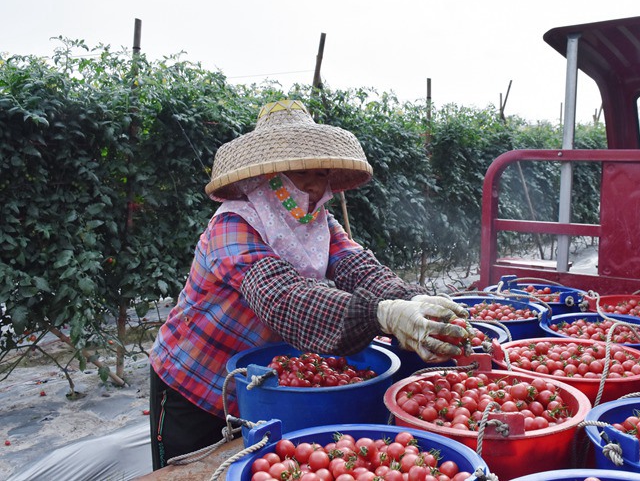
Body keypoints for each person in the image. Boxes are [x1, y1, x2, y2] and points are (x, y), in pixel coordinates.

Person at [148, 99, 468, 469]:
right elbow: (281, 296)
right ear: (270, 176)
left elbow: (360, 268)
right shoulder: (231, 226)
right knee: (189, 470)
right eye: (302, 174)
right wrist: (380, 314)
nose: (316, 187)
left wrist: (413, 302)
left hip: (260, 386)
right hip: (195, 382)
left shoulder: (318, 223)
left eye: (321, 173)